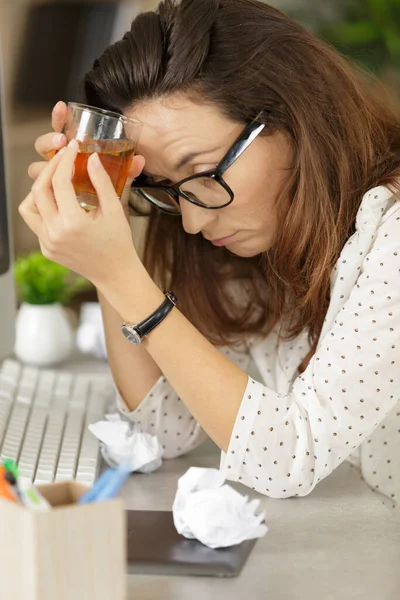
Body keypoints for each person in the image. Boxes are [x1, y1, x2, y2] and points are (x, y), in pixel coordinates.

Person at [21, 0, 400, 511]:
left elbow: (291, 455)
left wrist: (124, 278)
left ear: (292, 113)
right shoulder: (272, 237)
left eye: (200, 170)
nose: (193, 221)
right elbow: (162, 429)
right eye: (166, 188)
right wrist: (106, 230)